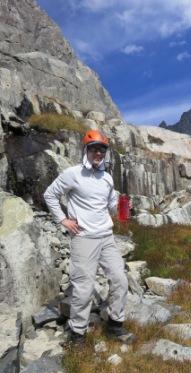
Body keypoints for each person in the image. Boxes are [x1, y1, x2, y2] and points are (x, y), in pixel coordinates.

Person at [44, 129, 134, 345]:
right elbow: (50, 194)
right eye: (94, 149)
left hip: (106, 237)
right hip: (83, 238)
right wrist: (63, 220)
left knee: (120, 280)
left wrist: (123, 206)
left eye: (102, 149)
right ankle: (77, 334)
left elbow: (110, 206)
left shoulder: (107, 178)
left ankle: (115, 325)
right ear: (86, 150)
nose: (98, 153)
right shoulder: (73, 174)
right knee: (84, 288)